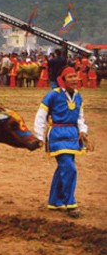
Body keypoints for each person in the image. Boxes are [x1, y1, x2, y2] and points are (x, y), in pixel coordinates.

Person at [34, 66, 90, 218]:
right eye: (70, 77)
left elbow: (80, 117)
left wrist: (83, 130)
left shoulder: (78, 97)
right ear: (63, 80)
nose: (74, 79)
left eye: (75, 76)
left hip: (73, 136)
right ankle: (70, 203)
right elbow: (41, 115)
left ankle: (55, 201)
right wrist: (39, 137)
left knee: (63, 168)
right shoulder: (53, 95)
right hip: (57, 135)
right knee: (70, 168)